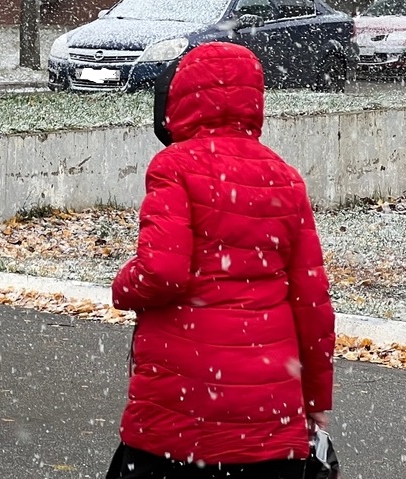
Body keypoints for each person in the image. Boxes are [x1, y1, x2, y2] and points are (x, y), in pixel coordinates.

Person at [108, 42, 337, 479]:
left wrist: (123, 286)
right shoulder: (286, 179)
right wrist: (315, 402)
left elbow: (161, 272)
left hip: (178, 412)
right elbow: (313, 305)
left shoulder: (173, 166)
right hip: (267, 420)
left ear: (181, 98)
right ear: (254, 100)